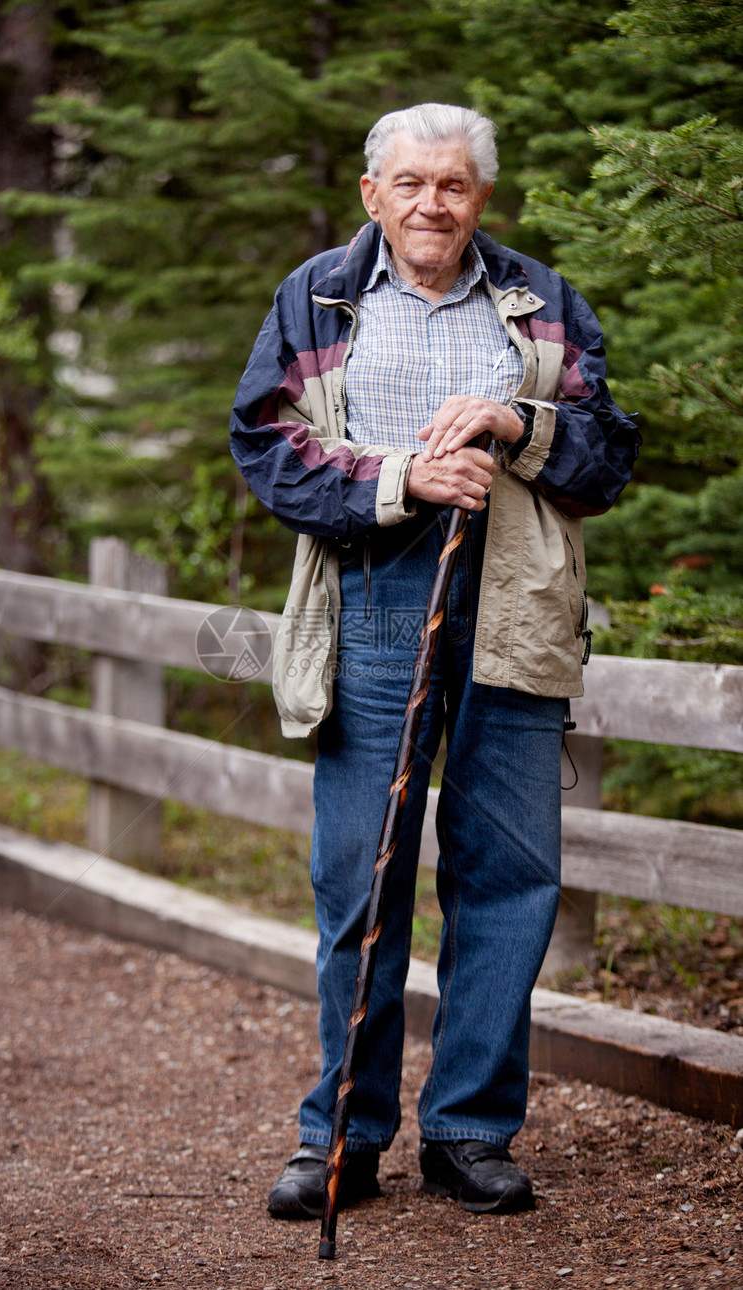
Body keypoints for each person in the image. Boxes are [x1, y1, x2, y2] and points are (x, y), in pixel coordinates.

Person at [230, 103, 639, 1219]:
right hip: (370, 596)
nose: (430, 204)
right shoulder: (316, 295)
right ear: (372, 195)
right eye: (408, 183)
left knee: (506, 877)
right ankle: (343, 1138)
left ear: (477, 200)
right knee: (358, 877)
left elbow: (607, 455)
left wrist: (518, 425)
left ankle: (468, 1132)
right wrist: (398, 481)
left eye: (451, 185)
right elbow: (264, 447)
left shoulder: (539, 302)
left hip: (512, 601)